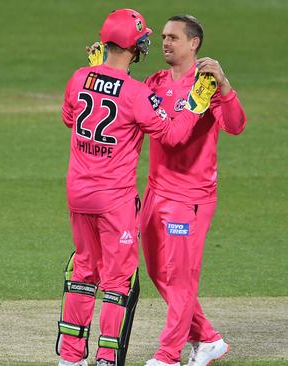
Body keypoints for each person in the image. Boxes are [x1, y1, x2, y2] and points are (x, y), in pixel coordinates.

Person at [55, 9, 218, 366]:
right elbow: (173, 135)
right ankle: (106, 359)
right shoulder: (136, 93)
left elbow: (70, 118)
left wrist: (97, 72)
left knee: (83, 269)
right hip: (114, 201)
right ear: (134, 46)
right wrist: (196, 104)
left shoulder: (79, 76)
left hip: (77, 195)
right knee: (117, 281)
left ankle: (69, 358)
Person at [139, 15, 247, 366]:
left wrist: (226, 85)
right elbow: (129, 108)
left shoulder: (207, 85)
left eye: (173, 37)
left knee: (181, 279)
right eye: (164, 38)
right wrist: (105, 74)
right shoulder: (154, 81)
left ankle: (168, 355)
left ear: (193, 43)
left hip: (190, 197)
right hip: (156, 191)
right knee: (159, 273)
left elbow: (235, 126)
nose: (165, 43)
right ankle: (209, 339)